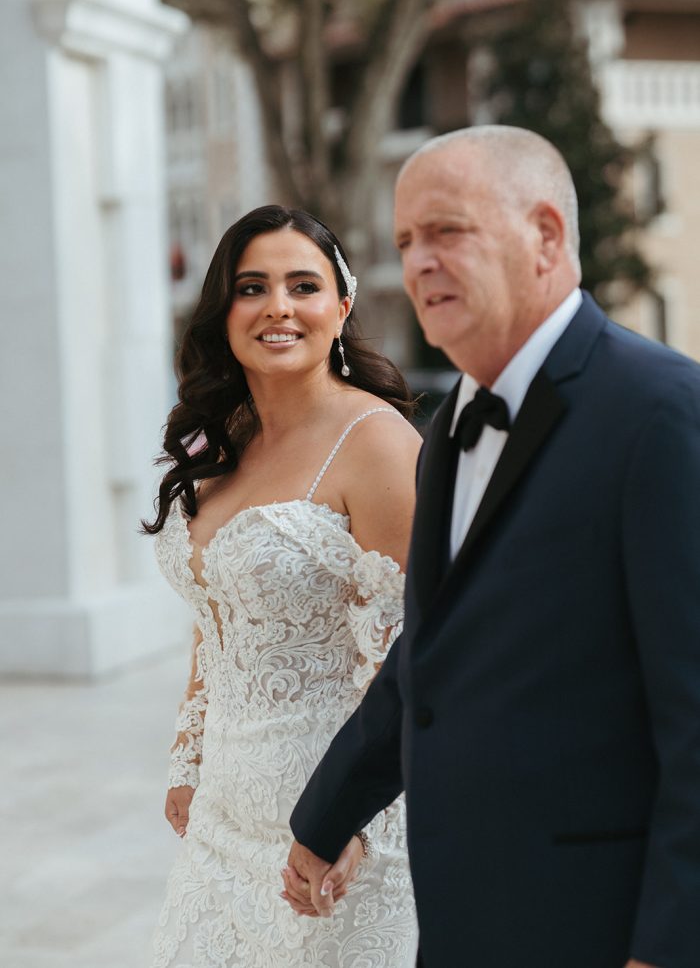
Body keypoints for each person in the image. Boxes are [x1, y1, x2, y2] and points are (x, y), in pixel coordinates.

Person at [285, 126, 700, 968]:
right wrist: (324, 819)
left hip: (599, 928)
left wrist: (668, 945)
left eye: (447, 231)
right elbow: (427, 663)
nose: (419, 262)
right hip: (465, 924)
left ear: (545, 235)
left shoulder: (661, 413)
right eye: (405, 242)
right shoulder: (445, 432)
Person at [144, 205, 421, 968]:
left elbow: (408, 654)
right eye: (252, 287)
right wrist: (188, 754)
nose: (278, 308)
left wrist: (354, 824)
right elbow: (217, 609)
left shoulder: (379, 444)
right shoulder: (220, 437)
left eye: (304, 285)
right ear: (224, 311)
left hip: (334, 830)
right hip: (219, 828)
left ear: (342, 304)